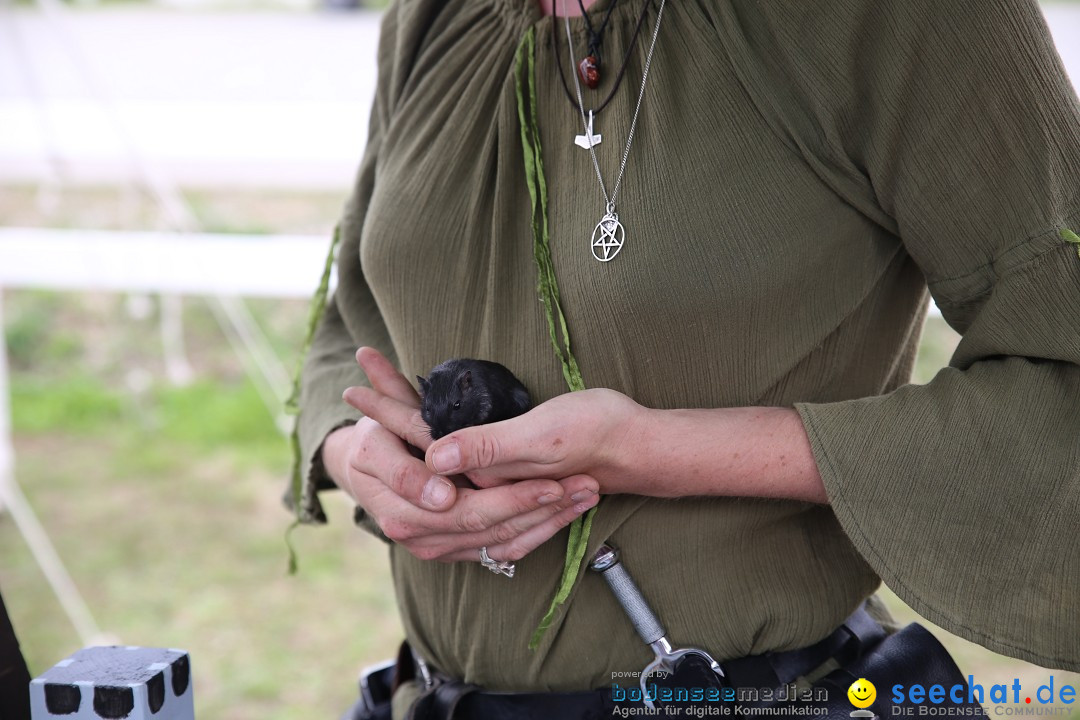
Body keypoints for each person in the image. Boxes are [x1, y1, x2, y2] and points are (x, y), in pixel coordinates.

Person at [289, 0, 1080, 717]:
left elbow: (1062, 375)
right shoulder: (428, 17)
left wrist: (658, 454)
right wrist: (356, 451)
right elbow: (354, 316)